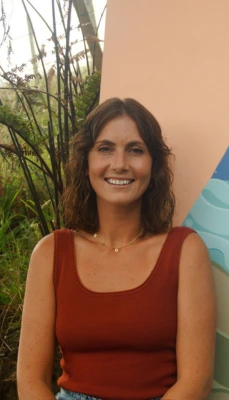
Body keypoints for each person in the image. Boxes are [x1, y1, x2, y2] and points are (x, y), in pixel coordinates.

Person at [17, 97, 217, 400]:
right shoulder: (51, 253)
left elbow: (196, 383)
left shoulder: (185, 251)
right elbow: (30, 382)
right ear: (85, 162)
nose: (120, 164)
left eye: (135, 150)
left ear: (154, 165)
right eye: (105, 148)